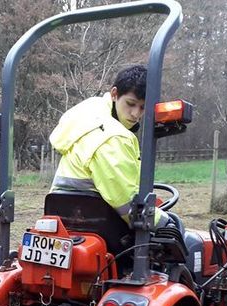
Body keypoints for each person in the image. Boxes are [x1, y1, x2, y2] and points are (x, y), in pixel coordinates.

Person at [49, 64, 175, 229]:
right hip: (97, 223)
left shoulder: (88, 115)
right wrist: (166, 223)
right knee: (182, 239)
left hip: (65, 217)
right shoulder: (112, 136)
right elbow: (125, 200)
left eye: (143, 107)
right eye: (131, 104)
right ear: (115, 94)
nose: (136, 114)